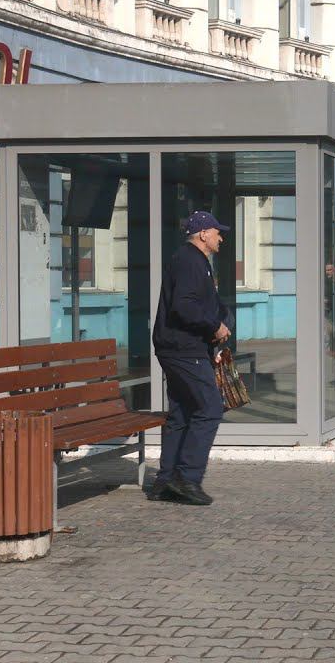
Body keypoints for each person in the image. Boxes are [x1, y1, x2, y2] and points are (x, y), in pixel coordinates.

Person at [149, 210, 233, 506]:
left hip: (181, 347)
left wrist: (222, 322)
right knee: (210, 408)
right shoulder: (189, 261)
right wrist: (213, 326)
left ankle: (165, 481)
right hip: (184, 349)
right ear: (203, 234)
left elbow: (207, 304)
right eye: (217, 232)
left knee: (183, 412)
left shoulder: (195, 261)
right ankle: (187, 478)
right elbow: (184, 307)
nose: (221, 238)